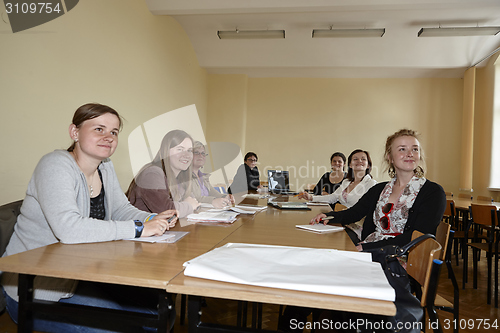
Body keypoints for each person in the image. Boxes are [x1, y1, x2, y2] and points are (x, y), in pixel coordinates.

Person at [0, 103, 178, 333]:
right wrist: (137, 229)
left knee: (161, 312)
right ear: (74, 132)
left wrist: (153, 219)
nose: (108, 137)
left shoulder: (105, 167)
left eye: (114, 132)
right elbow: (70, 229)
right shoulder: (55, 164)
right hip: (36, 289)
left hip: (82, 275)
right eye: (99, 129)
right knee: (128, 328)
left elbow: (121, 209)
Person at [311, 129, 446, 251]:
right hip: (370, 249)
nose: (410, 154)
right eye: (402, 149)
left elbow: (416, 237)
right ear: (390, 157)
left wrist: (366, 248)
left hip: (400, 258)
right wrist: (329, 216)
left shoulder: (433, 192)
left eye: (415, 149)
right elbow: (355, 212)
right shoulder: (379, 189)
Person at [127, 130, 200, 218]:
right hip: (139, 229)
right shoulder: (152, 174)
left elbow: (192, 200)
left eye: (189, 150)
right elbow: (166, 211)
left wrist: (189, 204)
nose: (186, 155)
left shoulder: (180, 176)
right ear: (166, 151)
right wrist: (189, 206)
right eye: (180, 149)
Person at [191, 141, 234, 208]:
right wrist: (213, 200)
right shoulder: (184, 176)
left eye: (203, 153)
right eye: (196, 153)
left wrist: (225, 197)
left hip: (206, 212)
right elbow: (192, 199)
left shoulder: (203, 177)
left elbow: (213, 193)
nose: (201, 156)